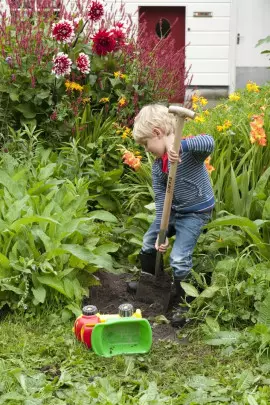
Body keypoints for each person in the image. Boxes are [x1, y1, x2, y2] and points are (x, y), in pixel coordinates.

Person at [130, 104, 215, 327]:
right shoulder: (159, 168)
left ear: (157, 133)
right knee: (150, 241)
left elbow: (210, 142)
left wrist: (183, 145)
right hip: (173, 210)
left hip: (195, 212)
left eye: (147, 144)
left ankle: (183, 300)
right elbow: (161, 202)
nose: (147, 150)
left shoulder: (191, 153)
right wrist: (162, 233)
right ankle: (150, 281)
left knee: (178, 258)